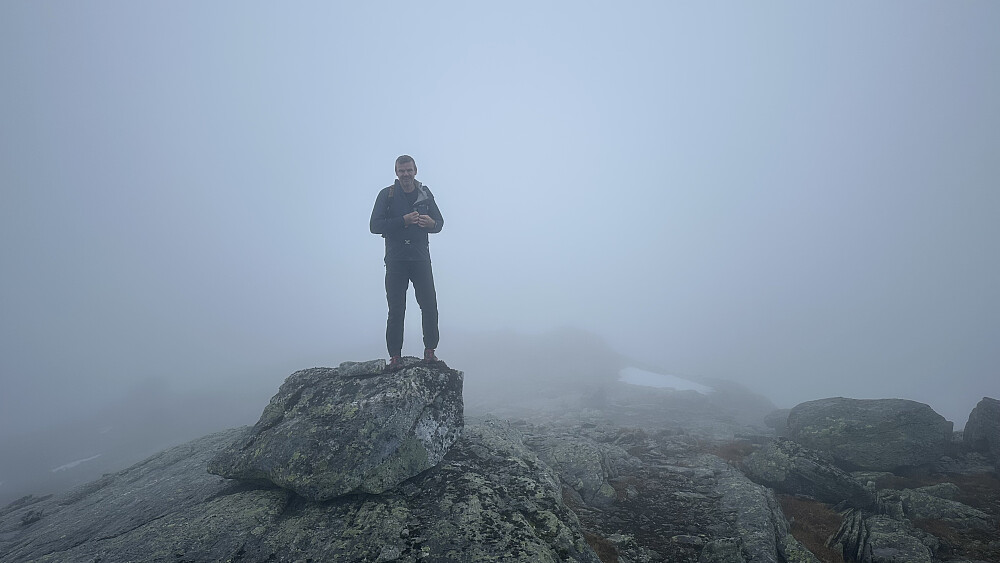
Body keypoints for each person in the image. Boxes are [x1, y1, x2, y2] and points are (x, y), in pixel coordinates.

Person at [369, 155, 444, 371]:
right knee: (396, 309)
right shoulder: (387, 195)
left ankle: (430, 352)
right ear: (396, 172)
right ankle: (395, 357)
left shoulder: (425, 194)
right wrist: (403, 221)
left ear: (416, 170)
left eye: (409, 170)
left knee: (429, 305)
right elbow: (374, 225)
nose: (406, 175)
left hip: (420, 258)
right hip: (396, 260)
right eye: (402, 171)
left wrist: (431, 223)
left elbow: (439, 222)